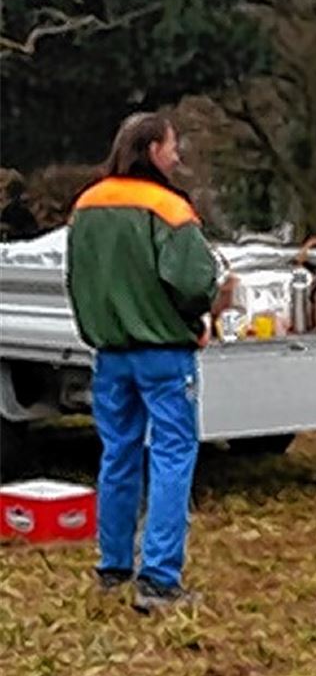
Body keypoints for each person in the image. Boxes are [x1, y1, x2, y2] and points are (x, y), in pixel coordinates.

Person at [66, 112, 230, 613]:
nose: (177, 156)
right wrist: (210, 308)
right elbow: (192, 281)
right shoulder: (169, 208)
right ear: (152, 150)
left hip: (110, 353)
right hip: (162, 354)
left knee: (118, 455)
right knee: (172, 456)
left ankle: (113, 566)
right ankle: (159, 578)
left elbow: (77, 278)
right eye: (172, 146)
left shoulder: (86, 205)